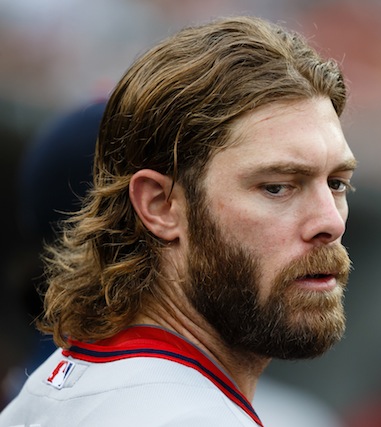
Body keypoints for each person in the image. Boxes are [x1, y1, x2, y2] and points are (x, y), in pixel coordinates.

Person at [0, 15, 356, 426]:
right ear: (160, 205)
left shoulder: (49, 388)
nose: (331, 221)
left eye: (337, 183)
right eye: (277, 186)